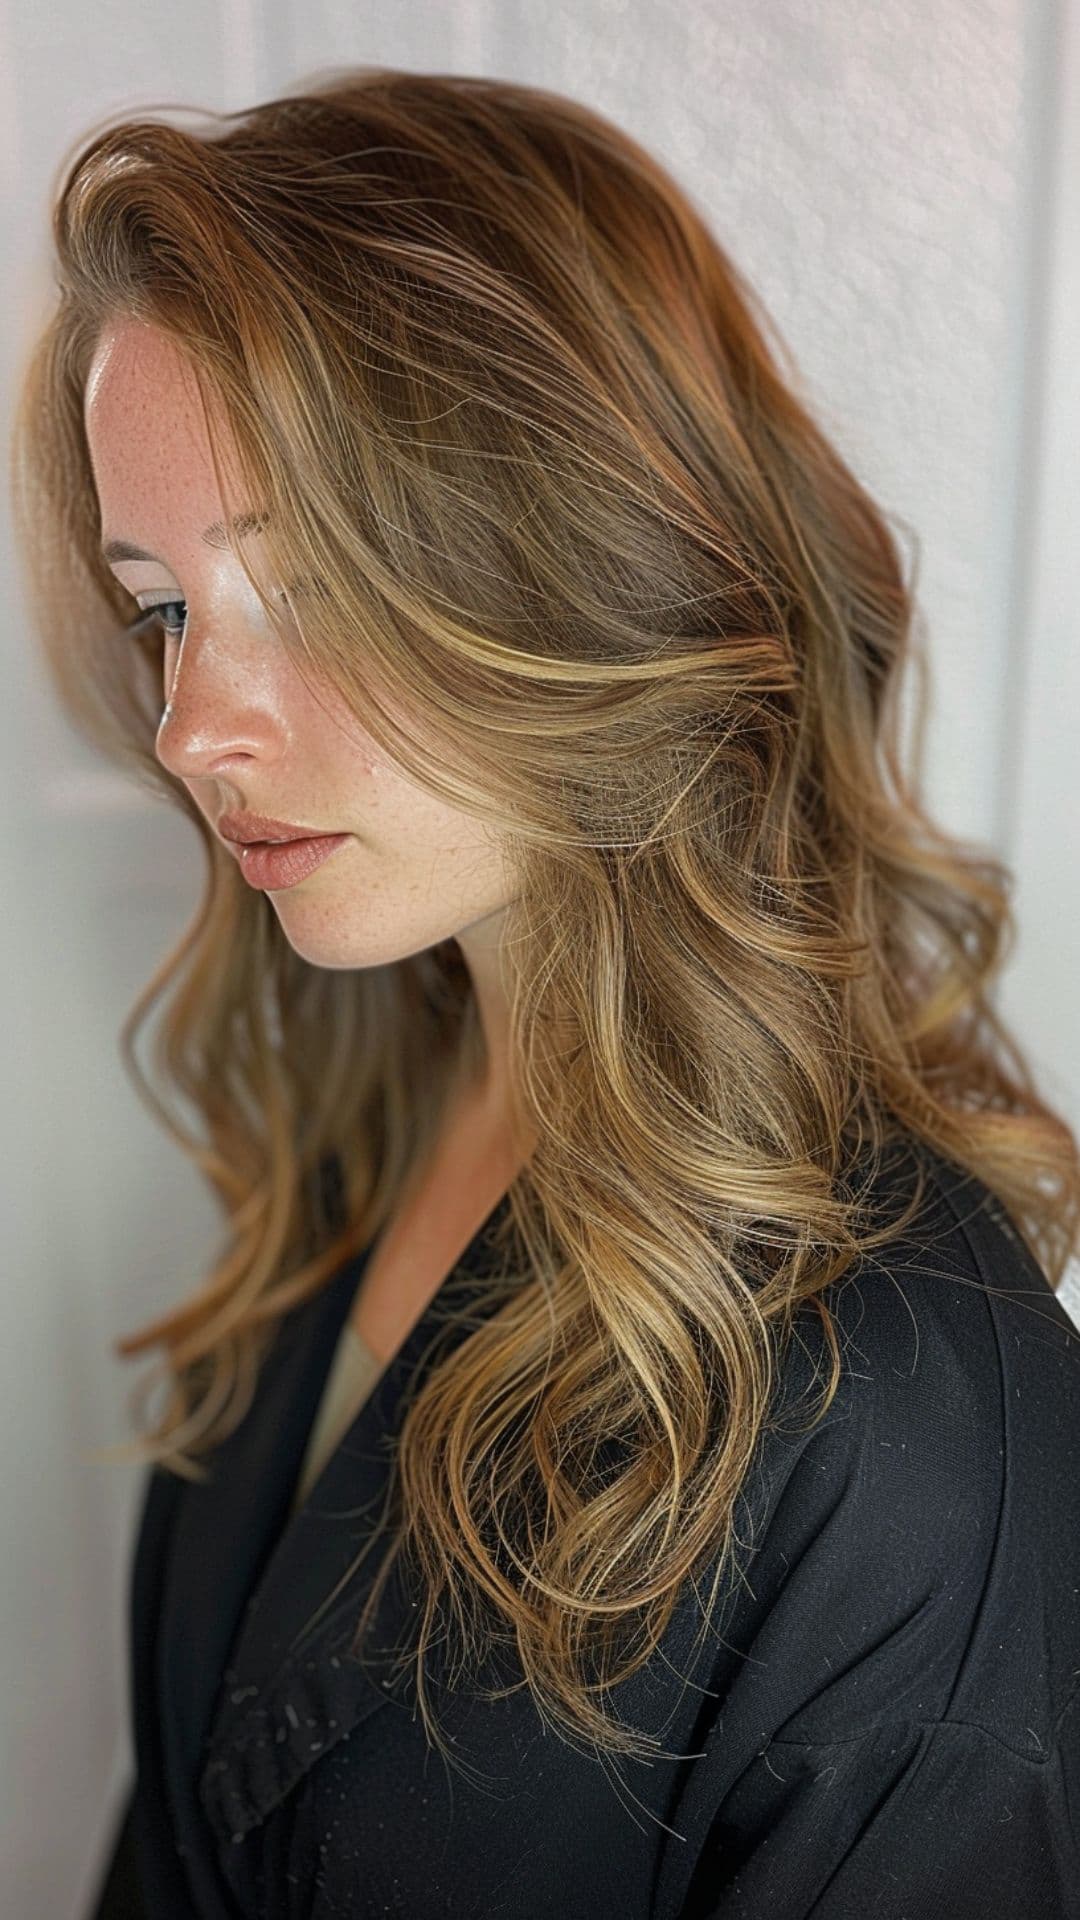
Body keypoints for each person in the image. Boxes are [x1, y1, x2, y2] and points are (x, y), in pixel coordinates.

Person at [11, 69, 1080, 1920]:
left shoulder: (906, 1422)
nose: (189, 729)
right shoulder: (366, 1120)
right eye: (165, 607)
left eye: (312, 583)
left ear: (598, 570)